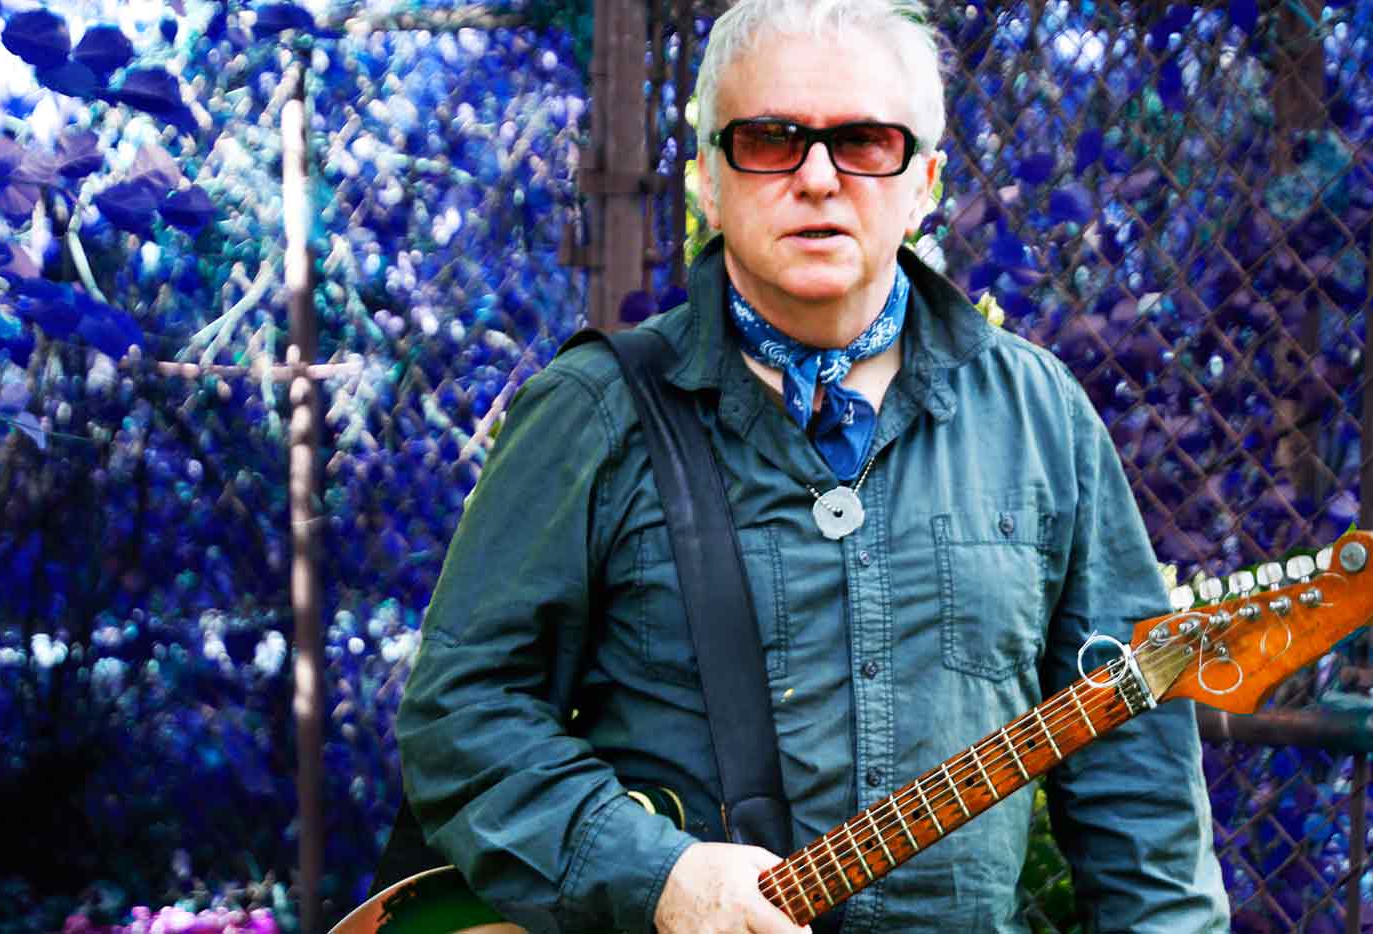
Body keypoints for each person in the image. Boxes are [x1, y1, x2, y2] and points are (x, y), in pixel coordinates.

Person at [395, 1, 1230, 931]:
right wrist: (658, 875)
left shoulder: (1038, 417)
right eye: (771, 140)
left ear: (924, 183)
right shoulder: (592, 413)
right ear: (709, 181)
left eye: (866, 142)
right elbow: (462, 717)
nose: (820, 179)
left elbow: (1137, 777)